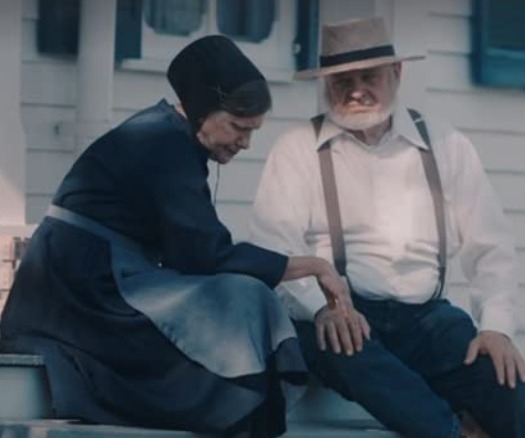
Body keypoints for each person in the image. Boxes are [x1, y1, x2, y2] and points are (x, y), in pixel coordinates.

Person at [0, 35, 363, 438]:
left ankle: (236, 411)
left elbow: (193, 251)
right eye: (238, 127)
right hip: (82, 290)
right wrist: (313, 266)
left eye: (252, 131)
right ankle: (233, 414)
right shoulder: (163, 146)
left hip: (95, 278)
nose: (245, 142)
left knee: (238, 294)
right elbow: (207, 255)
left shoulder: (171, 137)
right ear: (202, 110)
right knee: (245, 296)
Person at [248, 16, 525, 438]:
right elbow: (276, 248)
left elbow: (490, 245)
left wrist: (494, 326)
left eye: (368, 76)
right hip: (344, 315)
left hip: (429, 320)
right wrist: (321, 307)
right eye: (342, 79)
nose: (356, 90)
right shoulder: (297, 149)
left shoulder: (446, 144)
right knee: (353, 355)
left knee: (508, 385)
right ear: (326, 84)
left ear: (396, 73)